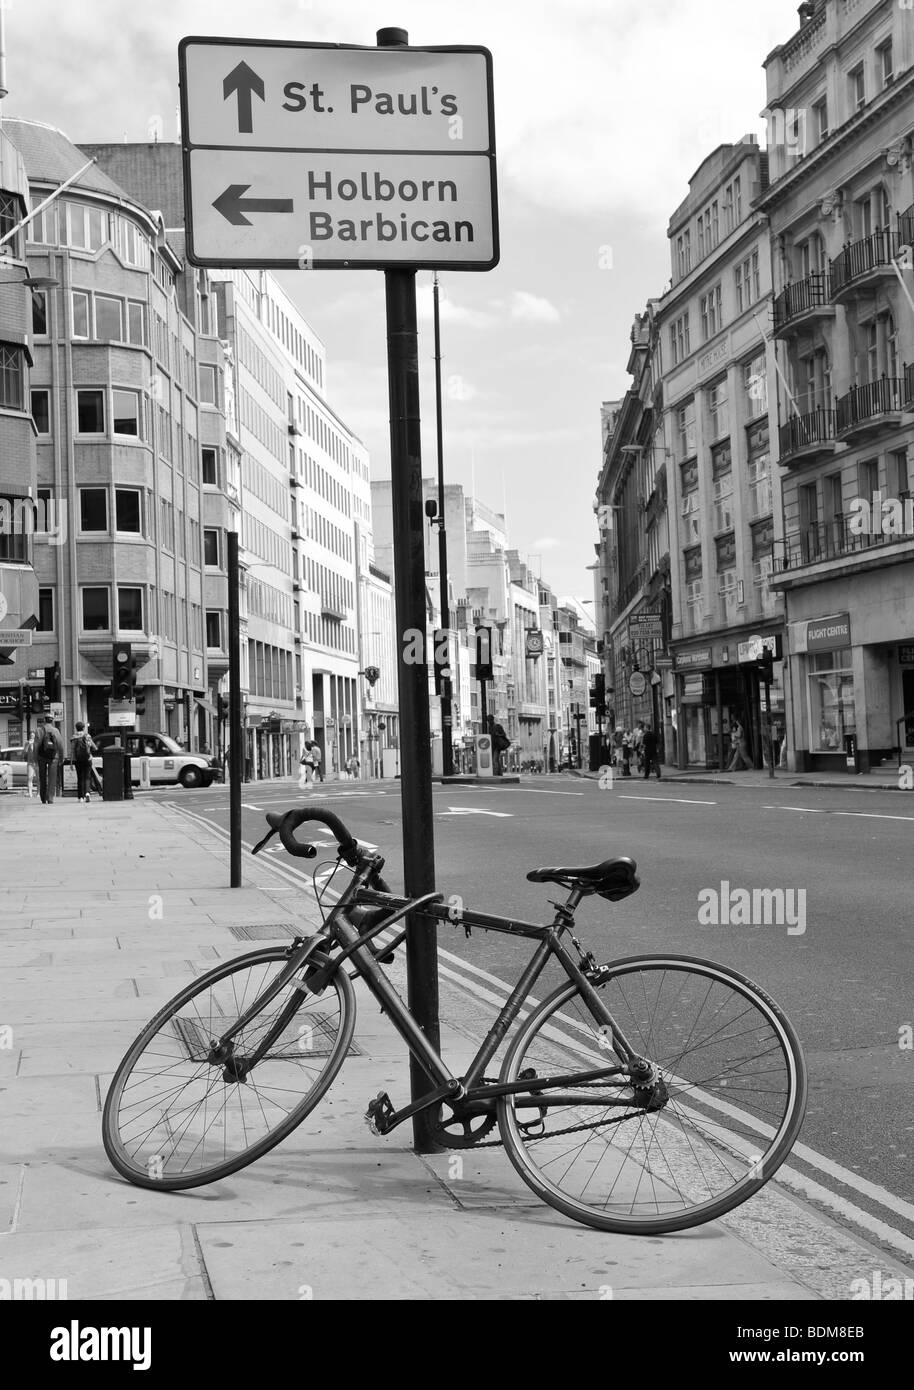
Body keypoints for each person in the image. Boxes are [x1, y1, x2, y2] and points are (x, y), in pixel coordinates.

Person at [35, 719, 65, 804]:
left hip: (41, 756)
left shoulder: (39, 730)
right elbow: (60, 745)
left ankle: (43, 798)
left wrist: (35, 758)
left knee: (42, 777)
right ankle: (50, 798)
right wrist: (61, 757)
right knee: (52, 778)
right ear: (52, 721)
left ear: (44, 720)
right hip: (53, 757)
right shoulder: (56, 731)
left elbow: (36, 745)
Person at [71, 721, 97, 803]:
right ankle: (87, 793)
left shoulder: (74, 737)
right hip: (88, 759)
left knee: (80, 777)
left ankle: (80, 797)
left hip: (77, 760)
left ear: (76, 728)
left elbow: (72, 751)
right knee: (87, 776)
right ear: (83, 728)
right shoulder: (87, 736)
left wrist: (71, 762)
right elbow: (94, 747)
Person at [25, 731, 38, 799]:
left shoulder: (37, 743)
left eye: (33, 735)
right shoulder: (27, 742)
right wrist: (28, 744)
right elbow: (25, 752)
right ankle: (30, 793)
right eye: (31, 736)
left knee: (39, 779)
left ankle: (38, 793)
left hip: (37, 763)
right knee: (30, 778)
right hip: (30, 763)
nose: (32, 737)